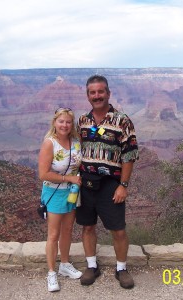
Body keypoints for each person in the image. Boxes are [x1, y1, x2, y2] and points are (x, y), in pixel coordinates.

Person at [76, 75, 139, 289]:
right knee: (87, 227)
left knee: (118, 230)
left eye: (100, 92)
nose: (97, 96)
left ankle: (121, 268)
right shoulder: (83, 121)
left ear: (108, 93)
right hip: (86, 183)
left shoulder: (122, 120)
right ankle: (92, 266)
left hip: (111, 184)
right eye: (92, 93)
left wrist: (124, 185)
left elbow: (129, 155)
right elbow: (80, 150)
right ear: (88, 96)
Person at [38, 107, 83, 292]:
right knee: (53, 234)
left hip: (72, 192)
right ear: (54, 123)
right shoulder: (50, 143)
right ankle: (51, 273)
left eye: (68, 122)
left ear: (72, 124)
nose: (64, 125)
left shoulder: (76, 141)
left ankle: (64, 265)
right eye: (61, 121)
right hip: (54, 193)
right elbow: (43, 174)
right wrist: (68, 178)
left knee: (67, 230)